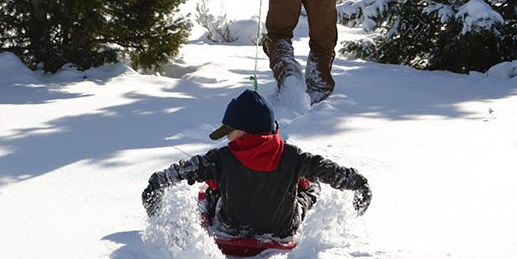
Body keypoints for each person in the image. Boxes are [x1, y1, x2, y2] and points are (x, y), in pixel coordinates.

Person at [141, 88, 371, 237]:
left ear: (242, 131)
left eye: (229, 131)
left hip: (229, 225)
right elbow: (328, 170)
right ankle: (295, 189)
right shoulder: (293, 156)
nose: (227, 137)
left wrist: (156, 183)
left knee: (214, 191)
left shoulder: (220, 158)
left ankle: (222, 193)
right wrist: (357, 183)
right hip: (282, 228)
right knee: (311, 186)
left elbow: (183, 170)